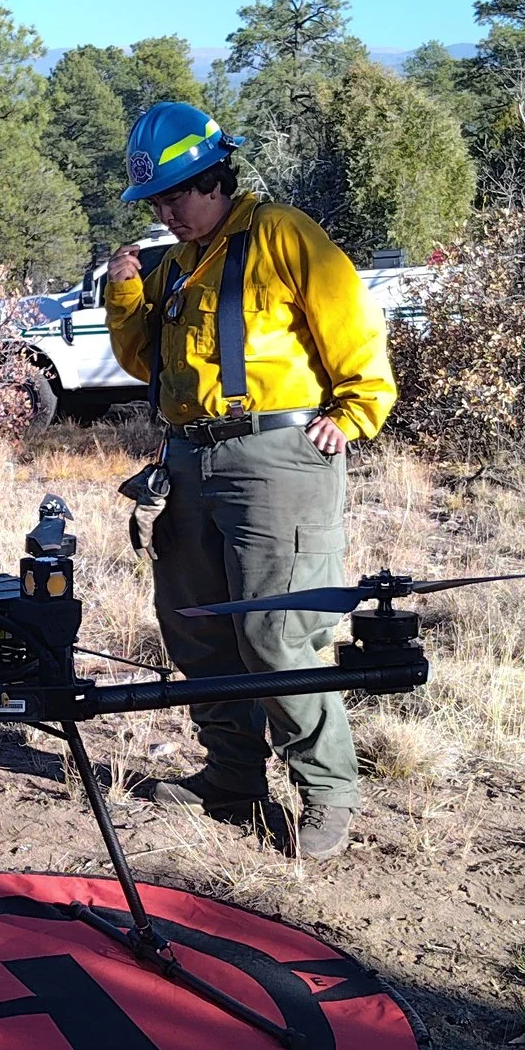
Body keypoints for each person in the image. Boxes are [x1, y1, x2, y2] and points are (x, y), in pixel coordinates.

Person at [104, 102, 395, 861]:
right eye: (158, 201)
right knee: (197, 627)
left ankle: (327, 793)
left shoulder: (283, 234)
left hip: (275, 461)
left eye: (177, 195)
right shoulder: (171, 265)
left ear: (216, 177)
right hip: (187, 461)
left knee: (277, 632)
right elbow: (148, 366)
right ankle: (232, 779)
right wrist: (126, 291)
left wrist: (357, 409)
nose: (168, 213)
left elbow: (354, 328)